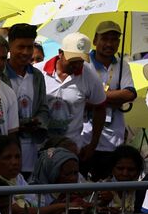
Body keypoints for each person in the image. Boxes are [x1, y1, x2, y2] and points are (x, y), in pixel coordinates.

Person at [36, 33, 106, 164]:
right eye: (73, 60)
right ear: (60, 53)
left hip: (72, 149)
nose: (77, 65)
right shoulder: (38, 71)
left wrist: (93, 144)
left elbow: (100, 107)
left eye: (80, 61)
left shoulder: (89, 76)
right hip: (39, 147)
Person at [80, 21, 136, 180]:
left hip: (113, 141)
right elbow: (81, 97)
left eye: (114, 39)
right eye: (105, 39)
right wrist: (113, 97)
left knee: (106, 187)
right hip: (86, 138)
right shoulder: (85, 64)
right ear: (95, 40)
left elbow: (130, 94)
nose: (109, 44)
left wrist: (96, 97)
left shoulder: (122, 65)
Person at [2, 24, 50, 176]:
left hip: (32, 151)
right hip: (7, 153)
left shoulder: (37, 76)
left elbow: (43, 107)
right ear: (10, 46)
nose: (26, 52)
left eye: (29, 47)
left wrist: (38, 122)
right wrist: (19, 125)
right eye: (21, 47)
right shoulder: (0, 75)